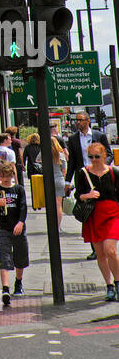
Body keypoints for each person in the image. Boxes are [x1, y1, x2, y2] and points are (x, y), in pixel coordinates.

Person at [73, 140, 119, 302]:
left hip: (112, 213)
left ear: (104, 156)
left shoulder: (114, 172)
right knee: (100, 253)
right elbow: (77, 195)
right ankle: (109, 286)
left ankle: (118, 281)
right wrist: (87, 195)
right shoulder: (83, 173)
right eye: (91, 156)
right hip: (93, 215)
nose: (93, 159)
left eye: (97, 156)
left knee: (110, 250)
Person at [66, 112, 113, 260]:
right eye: (76, 120)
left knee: (102, 209)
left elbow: (109, 154)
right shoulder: (73, 139)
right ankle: (95, 248)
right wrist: (68, 181)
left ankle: (106, 242)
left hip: (99, 176)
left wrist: (102, 164)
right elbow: (72, 162)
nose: (77, 123)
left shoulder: (99, 136)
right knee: (89, 213)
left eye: (80, 120)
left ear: (87, 121)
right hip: (84, 178)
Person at [0, 159, 29, 307]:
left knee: (20, 257)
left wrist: (21, 222)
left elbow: (23, 207)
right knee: (4, 257)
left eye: (9, 175)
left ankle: (18, 282)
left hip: (18, 228)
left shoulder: (18, 189)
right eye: (3, 176)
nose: (6, 178)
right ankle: (5, 289)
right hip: (3, 228)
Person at [50, 136, 67, 228]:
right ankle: (58, 225)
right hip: (59, 179)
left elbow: (37, 159)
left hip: (49, 180)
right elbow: (64, 170)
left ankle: (51, 224)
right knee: (58, 204)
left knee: (50, 203)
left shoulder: (45, 153)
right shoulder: (60, 154)